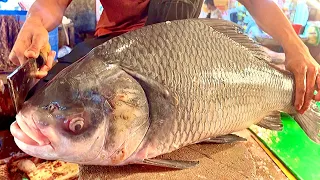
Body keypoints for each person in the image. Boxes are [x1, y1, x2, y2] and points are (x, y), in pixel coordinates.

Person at [8, 0, 320, 114]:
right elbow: (52, 4)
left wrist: (294, 45)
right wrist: (35, 20)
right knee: (40, 106)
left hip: (183, 60)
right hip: (109, 55)